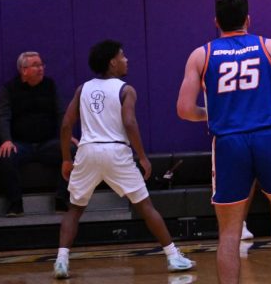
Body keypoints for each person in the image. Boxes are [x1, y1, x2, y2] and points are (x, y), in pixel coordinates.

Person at [176, 0, 271, 284]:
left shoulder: (202, 54)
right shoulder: (268, 46)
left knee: (229, 234)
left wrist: (211, 114)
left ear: (216, 22)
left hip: (228, 143)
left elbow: (184, 109)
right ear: (248, 20)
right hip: (268, 138)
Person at [55, 41, 195, 279]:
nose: (126, 59)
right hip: (116, 152)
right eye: (122, 56)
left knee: (74, 209)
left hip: (87, 151)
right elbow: (130, 123)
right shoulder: (126, 89)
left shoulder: (82, 89)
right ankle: (173, 256)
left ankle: (61, 260)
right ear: (112, 62)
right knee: (145, 206)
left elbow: (66, 125)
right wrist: (142, 157)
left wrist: (66, 159)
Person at [0, 51, 69, 215]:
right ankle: (15, 203)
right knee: (5, 156)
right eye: (36, 65)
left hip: (48, 143)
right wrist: (6, 140)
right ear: (23, 70)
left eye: (42, 64)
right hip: (21, 144)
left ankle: (61, 199)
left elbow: (61, 113)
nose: (41, 68)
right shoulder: (9, 89)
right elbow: (3, 116)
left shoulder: (50, 85)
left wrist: (66, 136)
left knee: (73, 151)